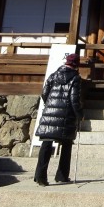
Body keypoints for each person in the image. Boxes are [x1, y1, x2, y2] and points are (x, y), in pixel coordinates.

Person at [34, 53, 83, 186]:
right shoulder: (75, 78)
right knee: (66, 145)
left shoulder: (53, 75)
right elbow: (74, 100)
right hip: (66, 116)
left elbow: (44, 93)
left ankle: (40, 177)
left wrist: (49, 104)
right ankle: (61, 176)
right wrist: (80, 115)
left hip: (49, 114)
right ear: (76, 65)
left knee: (46, 144)